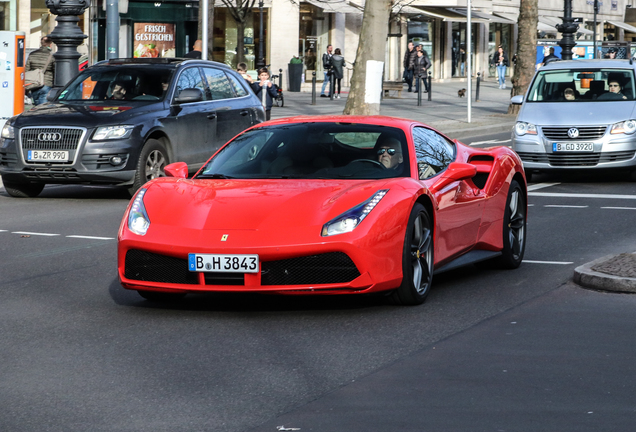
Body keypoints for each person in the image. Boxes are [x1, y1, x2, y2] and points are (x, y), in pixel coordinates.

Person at [25, 36, 55, 106]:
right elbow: (55, 71)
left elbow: (27, 70)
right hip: (46, 83)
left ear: (41, 43)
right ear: (50, 44)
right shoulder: (52, 55)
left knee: (36, 106)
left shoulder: (32, 54)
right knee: (43, 108)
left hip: (34, 84)